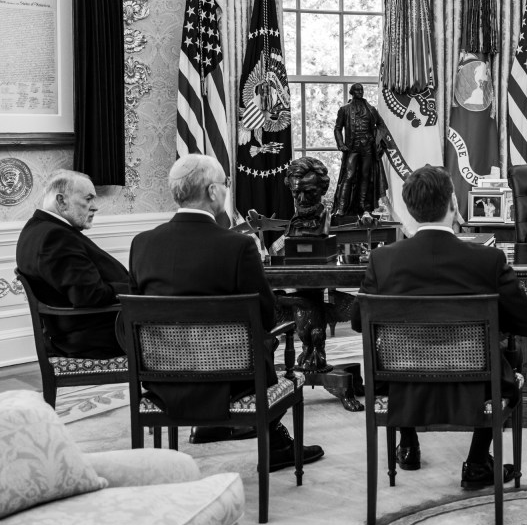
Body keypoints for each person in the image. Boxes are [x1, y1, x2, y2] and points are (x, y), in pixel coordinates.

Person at [349, 165, 527, 490]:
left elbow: (359, 321)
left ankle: (408, 444)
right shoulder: (488, 260)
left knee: (404, 351)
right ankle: (478, 462)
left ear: (410, 209)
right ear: (453, 203)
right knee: (511, 359)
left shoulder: (382, 260)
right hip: (477, 385)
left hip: (401, 385)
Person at [129, 154, 324, 463]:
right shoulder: (238, 246)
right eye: (224, 184)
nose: (226, 189)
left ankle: (215, 430)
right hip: (233, 382)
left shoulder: (142, 244)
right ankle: (276, 446)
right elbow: (266, 315)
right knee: (265, 340)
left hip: (163, 381)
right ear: (211, 192)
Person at [15, 170, 129, 359]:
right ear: (61, 201)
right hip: (98, 338)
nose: (95, 207)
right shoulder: (55, 237)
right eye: (88, 199)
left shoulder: (36, 228)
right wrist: (133, 288)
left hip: (88, 331)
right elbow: (89, 295)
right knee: (177, 333)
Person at [331, 83, 384, 222]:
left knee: (366, 176)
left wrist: (377, 140)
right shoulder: (344, 109)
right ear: (351, 92)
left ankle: (363, 206)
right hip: (352, 148)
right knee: (348, 176)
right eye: (357, 90)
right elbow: (337, 128)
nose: (360, 92)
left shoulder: (371, 109)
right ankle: (341, 207)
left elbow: (381, 125)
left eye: (361, 90)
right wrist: (341, 144)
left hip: (367, 148)